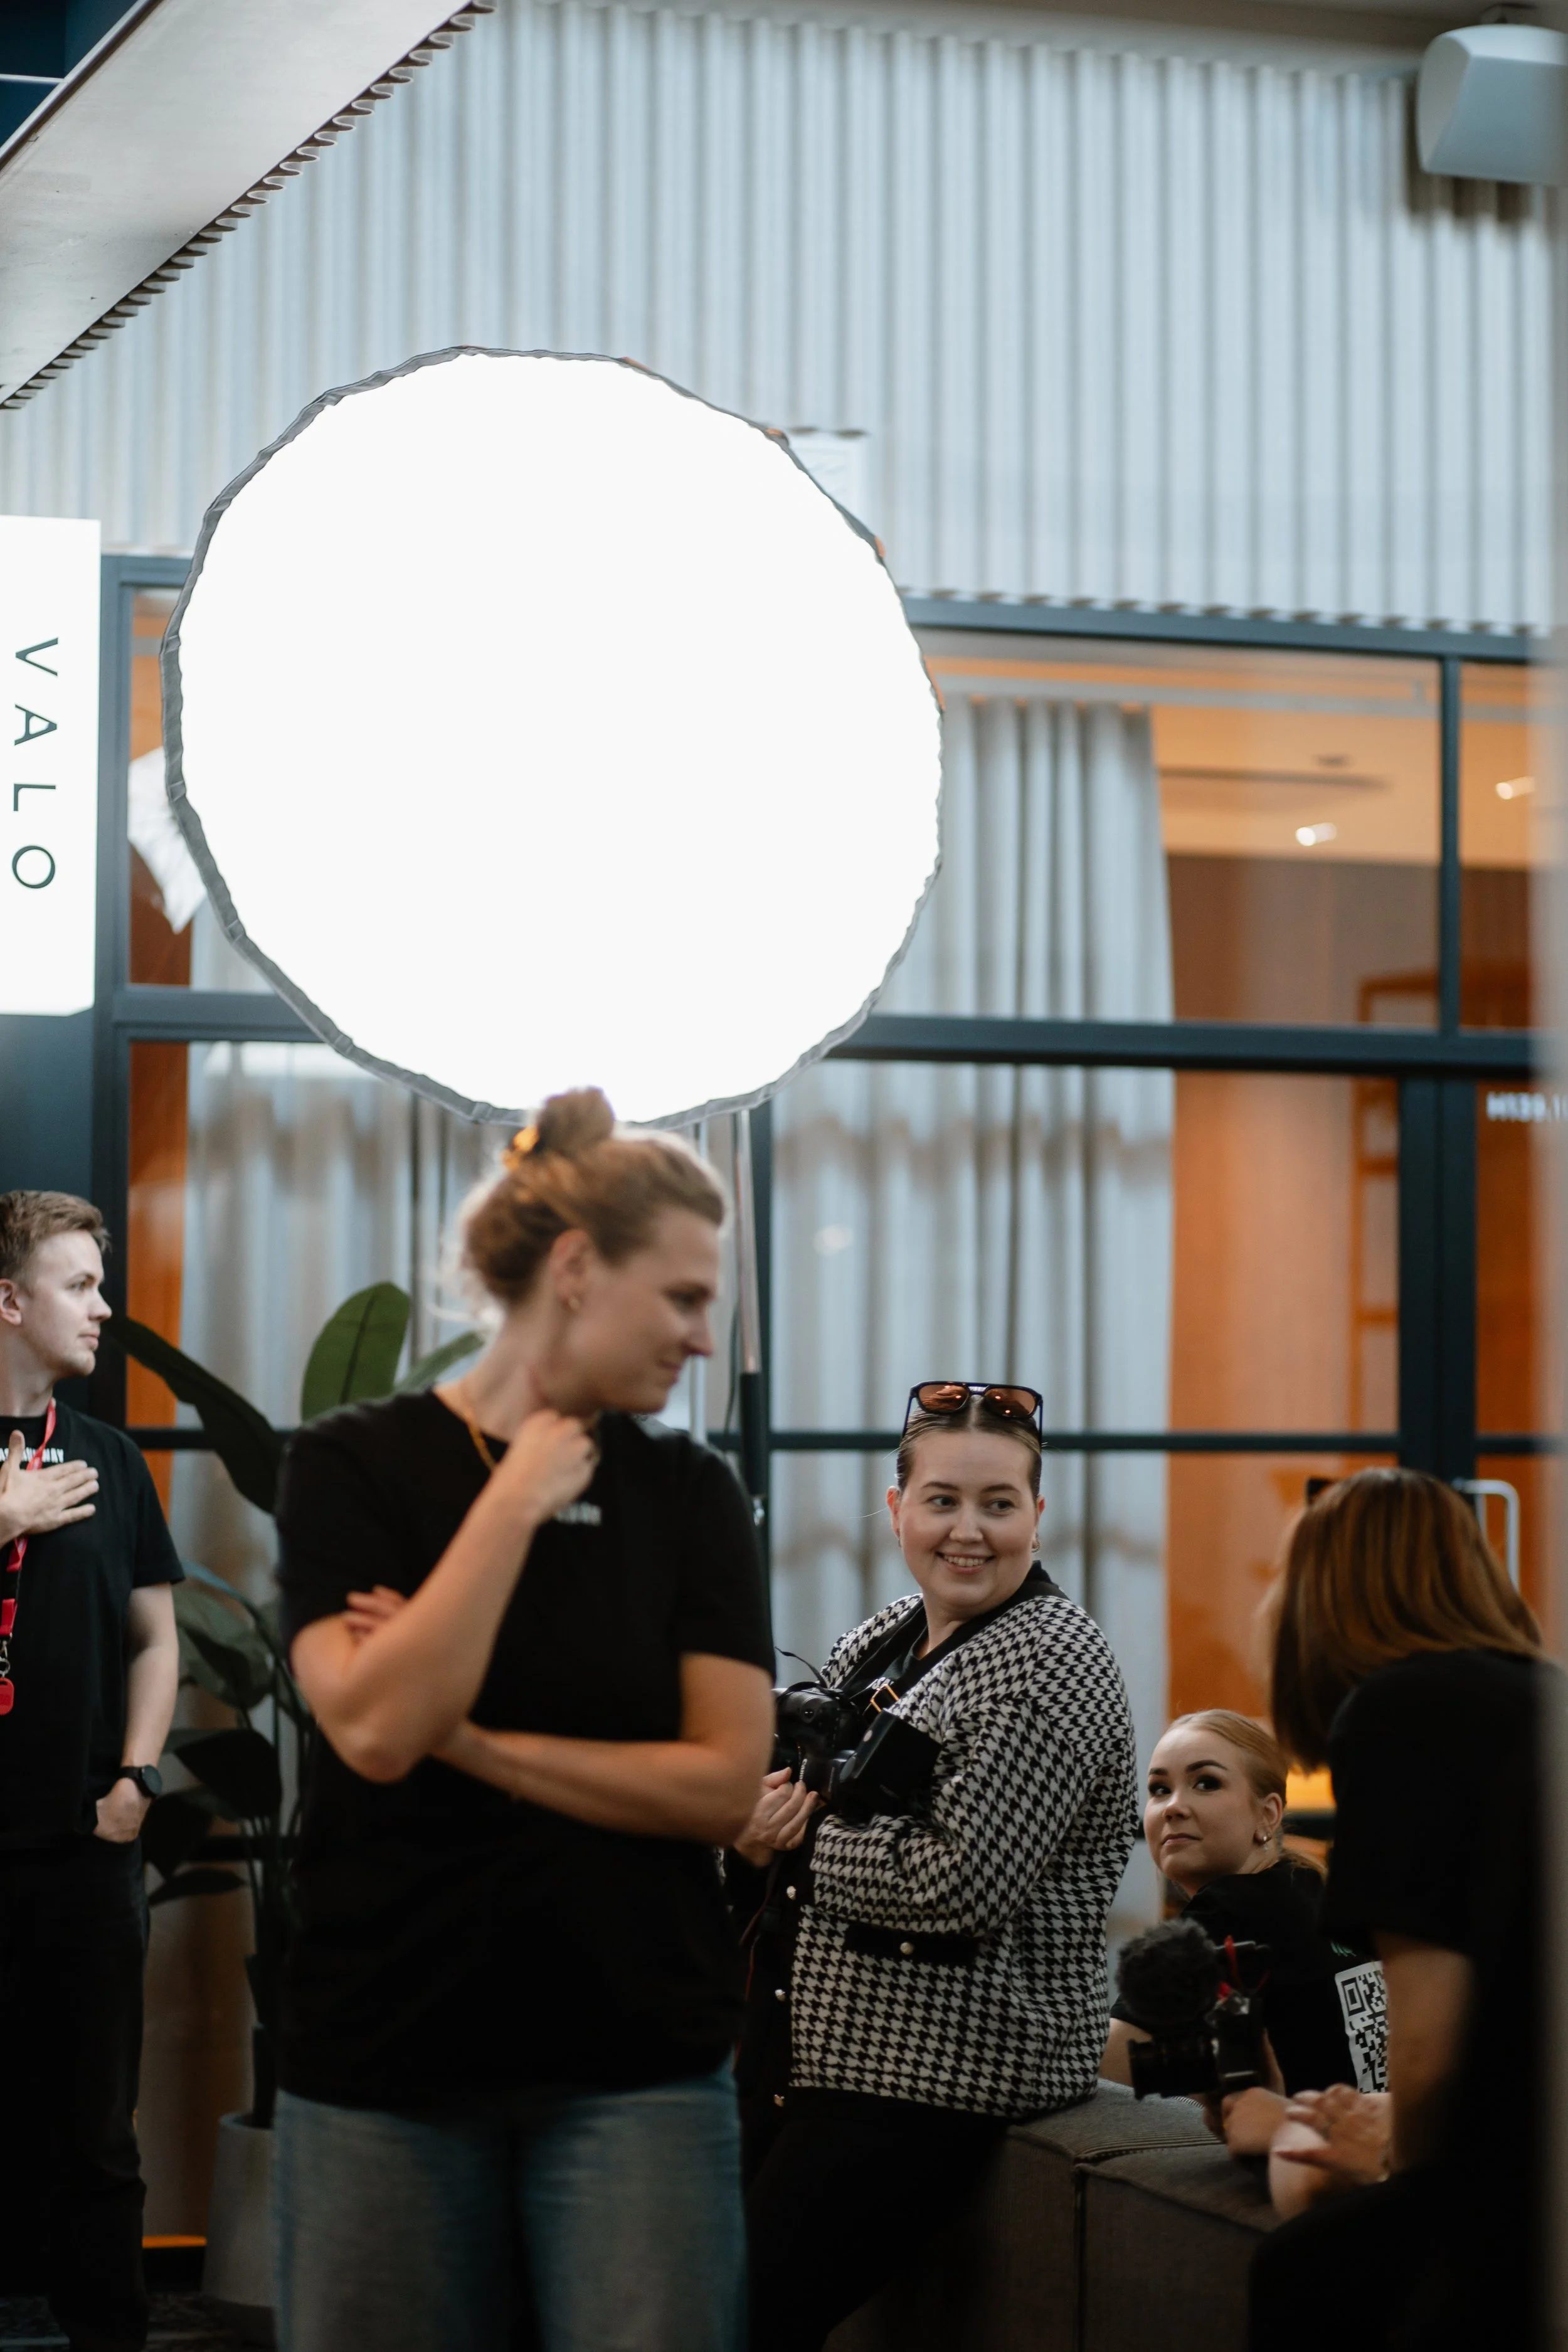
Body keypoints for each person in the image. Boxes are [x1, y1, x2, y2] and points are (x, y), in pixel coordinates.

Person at [270, 1089, 775, 2352]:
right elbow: (375, 1739)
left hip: (637, 2070)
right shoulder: (352, 1466)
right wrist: (515, 1499)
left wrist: (473, 1739)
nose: (702, 1339)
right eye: (682, 1297)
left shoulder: (690, 1495)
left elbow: (720, 1787)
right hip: (383, 2058)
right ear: (571, 1269)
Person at [733, 1380, 1138, 2352]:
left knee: (734, 2318)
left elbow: (958, 1883)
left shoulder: (1050, 1662)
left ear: (1038, 1516)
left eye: (999, 1503)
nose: (970, 1530)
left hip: (939, 2072)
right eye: (943, 1500)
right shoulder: (884, 1635)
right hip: (816, 2052)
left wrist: (792, 1835)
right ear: (897, 1509)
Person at [1245, 1466, 1553, 2352]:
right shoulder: (1540, 1695)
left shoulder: (1398, 1713)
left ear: (1326, 1589)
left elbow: (1427, 2049)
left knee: (1301, 2270)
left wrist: (1386, 2162)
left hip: (1520, 2193)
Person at [0, 1190, 183, 2352]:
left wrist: (137, 1777)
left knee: (96, 2138)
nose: (104, 1308)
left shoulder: (111, 1460)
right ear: (10, 1301)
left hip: (82, 1851)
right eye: (79, 1285)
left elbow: (156, 1638)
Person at [1101, 1710, 1384, 2102]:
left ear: (1267, 1814)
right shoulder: (1315, 1888)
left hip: (1309, 2151)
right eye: (1159, 1789)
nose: (1172, 1807)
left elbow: (1109, 2068)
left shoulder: (1232, 1907)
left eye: (1206, 1783)